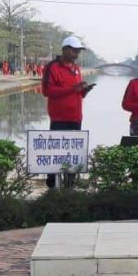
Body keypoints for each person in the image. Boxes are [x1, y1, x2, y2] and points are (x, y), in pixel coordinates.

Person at [42, 36, 94, 189]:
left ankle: (70, 183)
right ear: (65, 49)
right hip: (59, 117)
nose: (76, 54)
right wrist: (72, 89)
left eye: (78, 51)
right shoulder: (52, 67)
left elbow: (78, 93)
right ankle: (52, 184)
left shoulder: (76, 68)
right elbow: (47, 91)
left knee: (73, 152)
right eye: (74, 50)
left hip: (75, 117)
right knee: (56, 151)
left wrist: (84, 91)